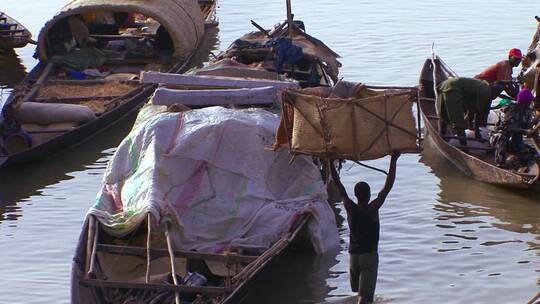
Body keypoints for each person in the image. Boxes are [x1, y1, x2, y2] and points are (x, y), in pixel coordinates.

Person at [329, 152, 400, 304]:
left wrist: (329, 161)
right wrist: (393, 160)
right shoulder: (372, 209)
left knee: (358, 292)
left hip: (353, 257)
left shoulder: (349, 207)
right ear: (369, 195)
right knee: (365, 298)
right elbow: (388, 186)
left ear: (356, 195)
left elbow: (337, 184)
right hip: (369, 256)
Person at [437, 77, 504, 146]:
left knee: (444, 114)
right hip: (453, 89)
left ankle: (442, 136)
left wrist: (473, 129)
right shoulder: (486, 93)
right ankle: (464, 146)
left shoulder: (484, 86)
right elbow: (478, 113)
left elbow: (473, 109)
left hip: (447, 83)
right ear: (495, 93)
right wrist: (477, 133)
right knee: (458, 121)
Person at [491, 88, 535, 168]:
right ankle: (500, 164)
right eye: (529, 101)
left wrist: (532, 127)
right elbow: (507, 127)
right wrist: (525, 131)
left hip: (515, 140)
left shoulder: (528, 111)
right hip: (499, 138)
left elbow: (528, 127)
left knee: (532, 152)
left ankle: (517, 159)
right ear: (524, 101)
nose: (530, 103)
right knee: (502, 137)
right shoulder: (508, 108)